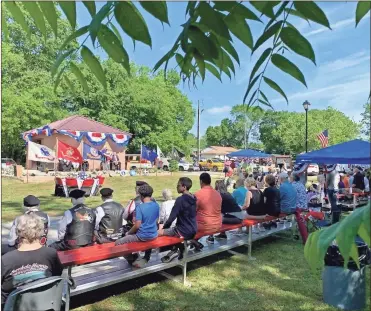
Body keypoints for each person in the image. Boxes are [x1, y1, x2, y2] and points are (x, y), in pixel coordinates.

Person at [1, 214, 63, 306]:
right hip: (44, 304)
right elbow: (57, 275)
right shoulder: (51, 254)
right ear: (41, 231)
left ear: (17, 232)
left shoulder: (6, 260)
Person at [115, 184, 159, 268]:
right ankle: (146, 257)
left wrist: (128, 233)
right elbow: (157, 220)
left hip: (142, 236)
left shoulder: (140, 207)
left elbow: (137, 225)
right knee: (147, 240)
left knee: (118, 243)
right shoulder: (156, 205)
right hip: (154, 234)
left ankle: (132, 258)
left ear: (141, 195)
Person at [159, 177, 197, 263]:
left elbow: (171, 218)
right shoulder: (194, 198)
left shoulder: (180, 200)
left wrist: (164, 228)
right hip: (193, 229)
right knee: (173, 232)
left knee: (158, 233)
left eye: (178, 185)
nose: (176, 187)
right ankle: (179, 249)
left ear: (184, 187)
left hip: (183, 230)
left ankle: (175, 250)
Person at [194, 172, 222, 246]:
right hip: (218, 225)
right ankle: (194, 242)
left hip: (204, 226)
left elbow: (192, 211)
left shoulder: (198, 194)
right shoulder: (217, 194)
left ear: (201, 181)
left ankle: (191, 243)